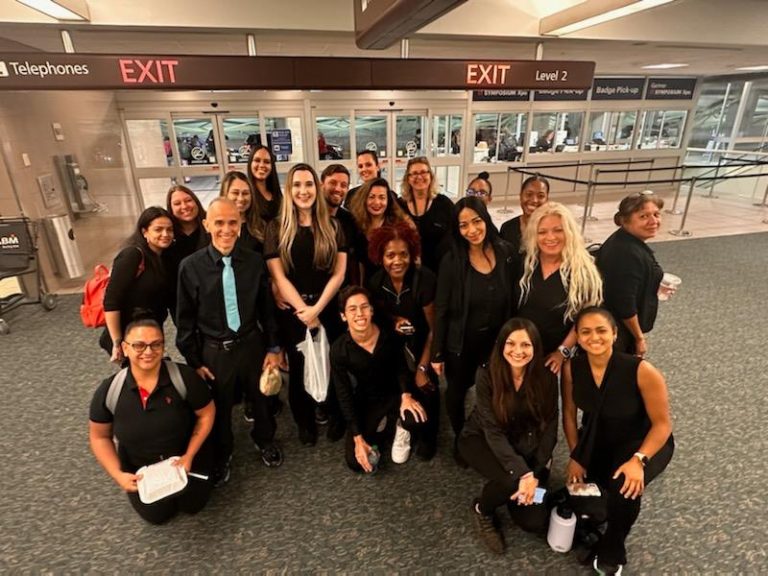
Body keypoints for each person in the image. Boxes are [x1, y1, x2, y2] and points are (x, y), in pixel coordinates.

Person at [176, 198, 283, 484]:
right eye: (219, 223)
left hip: (252, 344)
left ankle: (265, 440)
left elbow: (266, 310)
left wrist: (273, 348)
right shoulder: (190, 267)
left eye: (232, 222)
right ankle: (224, 453)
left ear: (241, 224)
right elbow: (184, 321)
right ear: (206, 225)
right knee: (220, 408)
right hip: (215, 352)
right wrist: (195, 362)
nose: (226, 229)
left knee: (261, 399)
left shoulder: (253, 261)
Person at [562, 307, 674, 574]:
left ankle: (613, 550)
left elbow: (663, 425)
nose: (594, 337)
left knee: (625, 487)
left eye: (601, 330)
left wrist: (639, 460)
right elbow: (568, 414)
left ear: (614, 334)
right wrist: (576, 455)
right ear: (577, 336)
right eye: (585, 332)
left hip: (641, 441)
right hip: (598, 438)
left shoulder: (641, 370)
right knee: (584, 496)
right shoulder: (571, 368)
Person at [89, 319, 215, 524]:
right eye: (139, 345)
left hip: (186, 462)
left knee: (194, 505)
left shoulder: (185, 378)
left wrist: (190, 454)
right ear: (124, 348)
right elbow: (99, 437)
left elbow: (206, 414)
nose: (148, 352)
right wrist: (118, 475)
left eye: (156, 344)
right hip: (142, 471)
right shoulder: (109, 391)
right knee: (158, 516)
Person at [458, 318, 558, 554]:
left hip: (524, 443)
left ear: (536, 347)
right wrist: (523, 473)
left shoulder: (547, 376)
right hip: (480, 438)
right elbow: (491, 430)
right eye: (511, 344)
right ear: (501, 345)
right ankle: (482, 509)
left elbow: (552, 425)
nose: (518, 351)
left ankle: (518, 483)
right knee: (512, 480)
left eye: (526, 345)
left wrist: (536, 469)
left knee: (533, 522)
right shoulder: (486, 374)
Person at [265, 163, 347, 447]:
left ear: (317, 188)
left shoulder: (333, 226)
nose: (303, 190)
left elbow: (339, 273)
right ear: (289, 190)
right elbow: (278, 276)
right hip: (293, 312)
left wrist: (317, 309)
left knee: (332, 363)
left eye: (309, 184)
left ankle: (335, 414)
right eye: (297, 185)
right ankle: (305, 421)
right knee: (299, 368)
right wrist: (304, 311)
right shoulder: (276, 228)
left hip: (327, 308)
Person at [431, 197, 519, 460]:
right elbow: (442, 309)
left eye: (476, 221)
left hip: (496, 343)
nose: (472, 230)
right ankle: (462, 438)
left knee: (494, 393)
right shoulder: (452, 260)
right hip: (462, 344)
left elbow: (514, 299)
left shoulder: (506, 252)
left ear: (486, 219)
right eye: (463, 225)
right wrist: (437, 352)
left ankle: (491, 436)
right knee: (457, 394)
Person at [331, 286, 427, 472]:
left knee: (416, 419)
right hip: (367, 400)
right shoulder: (338, 350)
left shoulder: (389, 334)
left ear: (372, 310)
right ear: (343, 316)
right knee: (354, 461)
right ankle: (382, 424)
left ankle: (399, 426)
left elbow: (401, 368)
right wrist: (358, 438)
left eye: (364, 307)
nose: (360, 313)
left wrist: (406, 395)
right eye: (352, 309)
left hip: (396, 393)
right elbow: (343, 393)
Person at [367, 222, 440, 460]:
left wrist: (423, 367)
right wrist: (394, 319)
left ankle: (428, 435)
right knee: (390, 390)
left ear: (412, 255)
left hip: (423, 345)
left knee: (425, 388)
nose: (397, 261)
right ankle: (400, 421)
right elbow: (378, 316)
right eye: (390, 255)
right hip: (393, 347)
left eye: (403, 254)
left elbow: (434, 328)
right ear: (380, 256)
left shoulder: (425, 279)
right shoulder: (376, 282)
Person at [516, 202, 603, 374]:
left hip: (550, 352)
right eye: (542, 232)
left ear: (569, 232)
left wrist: (563, 351)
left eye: (558, 230)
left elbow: (584, 319)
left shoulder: (584, 271)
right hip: (517, 347)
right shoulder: (525, 262)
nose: (550, 237)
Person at [596, 192, 667, 356]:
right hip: (619, 331)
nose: (653, 221)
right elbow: (624, 305)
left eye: (656, 214)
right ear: (625, 220)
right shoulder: (627, 253)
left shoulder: (626, 241)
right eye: (643, 216)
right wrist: (639, 338)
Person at [101, 207, 174, 363]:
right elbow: (111, 300)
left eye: (169, 229)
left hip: (149, 333)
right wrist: (117, 342)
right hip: (128, 336)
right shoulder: (133, 255)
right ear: (144, 232)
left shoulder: (163, 258)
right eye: (158, 230)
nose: (165, 234)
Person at [349, 177, 414, 282]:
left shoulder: (397, 226)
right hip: (366, 286)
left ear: (388, 200)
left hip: (392, 285)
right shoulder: (356, 226)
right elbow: (358, 263)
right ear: (364, 199)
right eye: (371, 197)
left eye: (382, 197)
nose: (377, 202)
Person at [397, 156, 454, 274]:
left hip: (439, 269)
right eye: (414, 173)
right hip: (407, 270)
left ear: (430, 176)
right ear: (407, 179)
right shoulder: (399, 206)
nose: (419, 177)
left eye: (423, 172)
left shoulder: (444, 204)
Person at [164, 185, 209, 323]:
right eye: (177, 203)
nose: (184, 206)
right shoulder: (167, 236)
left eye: (188, 200)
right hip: (180, 300)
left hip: (210, 296)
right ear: (171, 209)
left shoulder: (210, 226)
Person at [321, 163, 360, 286]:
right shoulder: (308, 217)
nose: (338, 189)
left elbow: (353, 260)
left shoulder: (350, 220)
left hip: (343, 292)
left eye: (343, 185)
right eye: (333, 183)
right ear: (321, 184)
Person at [499, 175, 550, 256]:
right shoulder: (507, 228)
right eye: (529, 194)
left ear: (547, 200)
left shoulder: (552, 230)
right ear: (520, 196)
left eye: (540, 196)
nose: (534, 200)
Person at [220, 170, 267, 253]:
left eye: (245, 193)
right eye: (235, 193)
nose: (241, 198)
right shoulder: (216, 227)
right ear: (225, 194)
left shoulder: (261, 227)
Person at [246, 144, 283, 223]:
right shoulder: (246, 195)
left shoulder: (277, 195)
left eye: (266, 162)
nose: (262, 165)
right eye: (257, 160)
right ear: (250, 164)